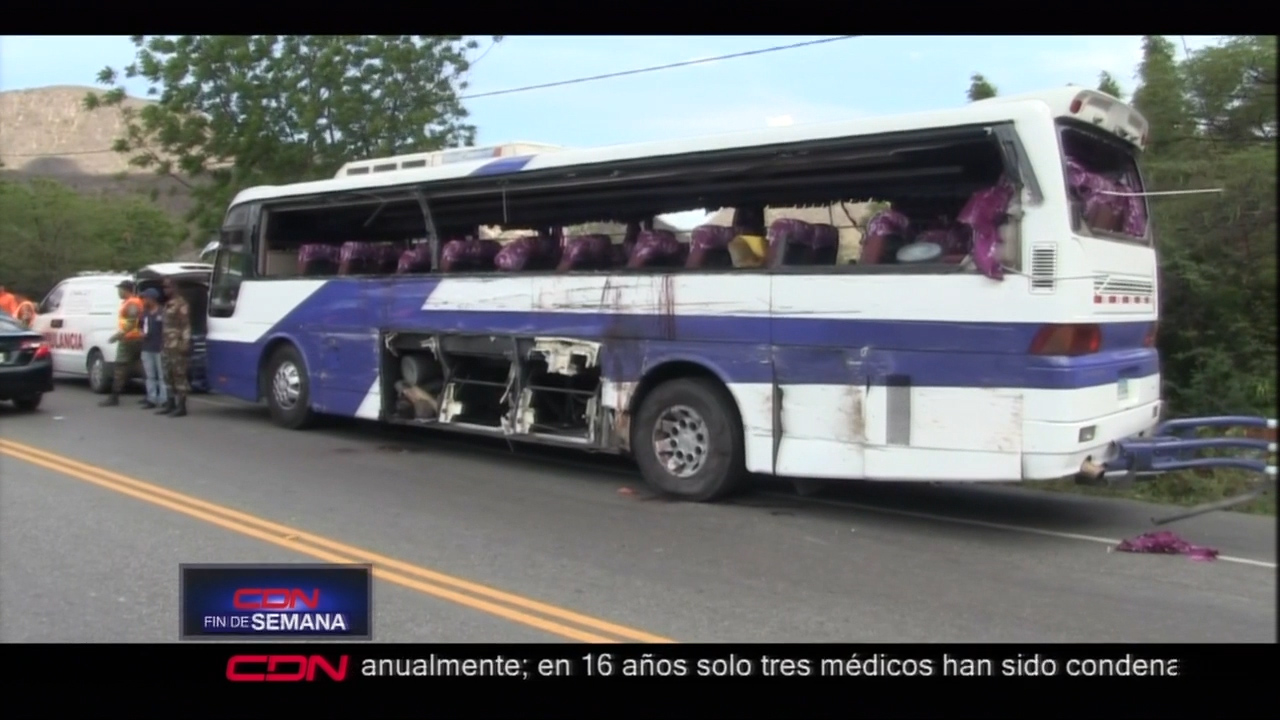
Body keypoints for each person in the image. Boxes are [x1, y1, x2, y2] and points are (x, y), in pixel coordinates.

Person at [99, 280, 146, 407]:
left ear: (126, 290)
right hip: (136, 338)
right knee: (139, 366)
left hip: (129, 339)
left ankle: (114, 396)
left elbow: (131, 322)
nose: (119, 292)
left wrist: (118, 336)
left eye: (120, 289)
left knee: (120, 367)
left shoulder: (132, 303)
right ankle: (151, 395)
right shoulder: (132, 302)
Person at [157, 278, 192, 418]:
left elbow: (186, 325)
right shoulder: (167, 304)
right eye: (164, 287)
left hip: (177, 345)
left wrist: (185, 343)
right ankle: (170, 403)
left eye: (168, 287)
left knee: (179, 375)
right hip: (166, 344)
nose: (165, 290)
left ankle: (181, 406)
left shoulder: (181, 304)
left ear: (175, 287)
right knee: (168, 375)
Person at [138, 289, 169, 410]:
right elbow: (140, 326)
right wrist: (141, 333)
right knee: (150, 375)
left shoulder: (162, 312)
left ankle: (164, 399)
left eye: (145, 298)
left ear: (152, 299)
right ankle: (151, 398)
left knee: (162, 376)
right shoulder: (144, 313)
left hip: (160, 348)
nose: (143, 301)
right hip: (147, 347)